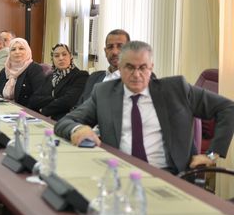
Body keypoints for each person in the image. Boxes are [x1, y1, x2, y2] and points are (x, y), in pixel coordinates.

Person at [54, 41, 234, 174]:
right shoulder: (104, 93)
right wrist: (78, 129)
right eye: (129, 67)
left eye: (143, 68)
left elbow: (228, 108)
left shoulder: (176, 89)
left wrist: (212, 154)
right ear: (120, 68)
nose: (136, 74)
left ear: (151, 67)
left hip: (171, 175)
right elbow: (66, 122)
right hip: (120, 174)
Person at [0, 38, 46, 107]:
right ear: (9, 53)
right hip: (7, 110)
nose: (17, 52)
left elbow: (39, 96)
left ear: (28, 51)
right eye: (13, 49)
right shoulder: (6, 70)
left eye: (21, 48)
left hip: (26, 112)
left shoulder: (34, 69)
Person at [28, 44, 88, 120]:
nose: (61, 58)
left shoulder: (81, 75)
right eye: (56, 56)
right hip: (46, 119)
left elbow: (68, 101)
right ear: (52, 59)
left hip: (66, 120)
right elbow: (34, 99)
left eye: (64, 54)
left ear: (71, 56)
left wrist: (44, 110)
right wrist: (55, 98)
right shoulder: (50, 77)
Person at [77, 29, 130, 105]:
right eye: (110, 47)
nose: (114, 52)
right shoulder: (94, 77)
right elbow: (79, 107)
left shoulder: (139, 79)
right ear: (105, 52)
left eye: (120, 46)